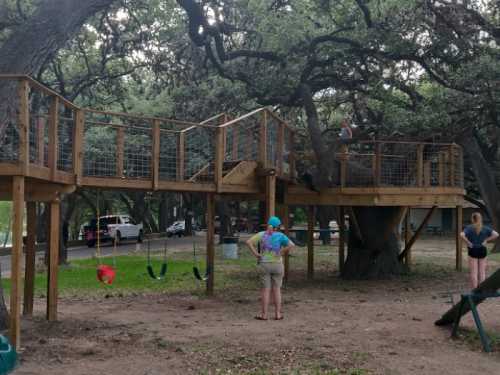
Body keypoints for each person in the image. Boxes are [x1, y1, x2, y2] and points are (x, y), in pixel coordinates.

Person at [246, 216, 294, 320]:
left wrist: (256, 254)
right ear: (278, 226)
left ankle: (264, 315)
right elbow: (291, 245)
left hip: (264, 264)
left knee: (265, 290)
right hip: (277, 264)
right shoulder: (281, 235)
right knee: (277, 289)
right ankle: (277, 314)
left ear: (268, 224)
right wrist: (281, 252)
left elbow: (248, 242)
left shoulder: (262, 234)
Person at [460, 212, 499, 289]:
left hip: (473, 250)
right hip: (482, 250)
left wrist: (468, 242)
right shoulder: (485, 228)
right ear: (480, 219)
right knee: (482, 272)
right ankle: (481, 290)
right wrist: (486, 240)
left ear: (472, 219)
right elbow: (496, 234)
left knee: (473, 272)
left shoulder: (469, 227)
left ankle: (475, 290)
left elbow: (461, 234)